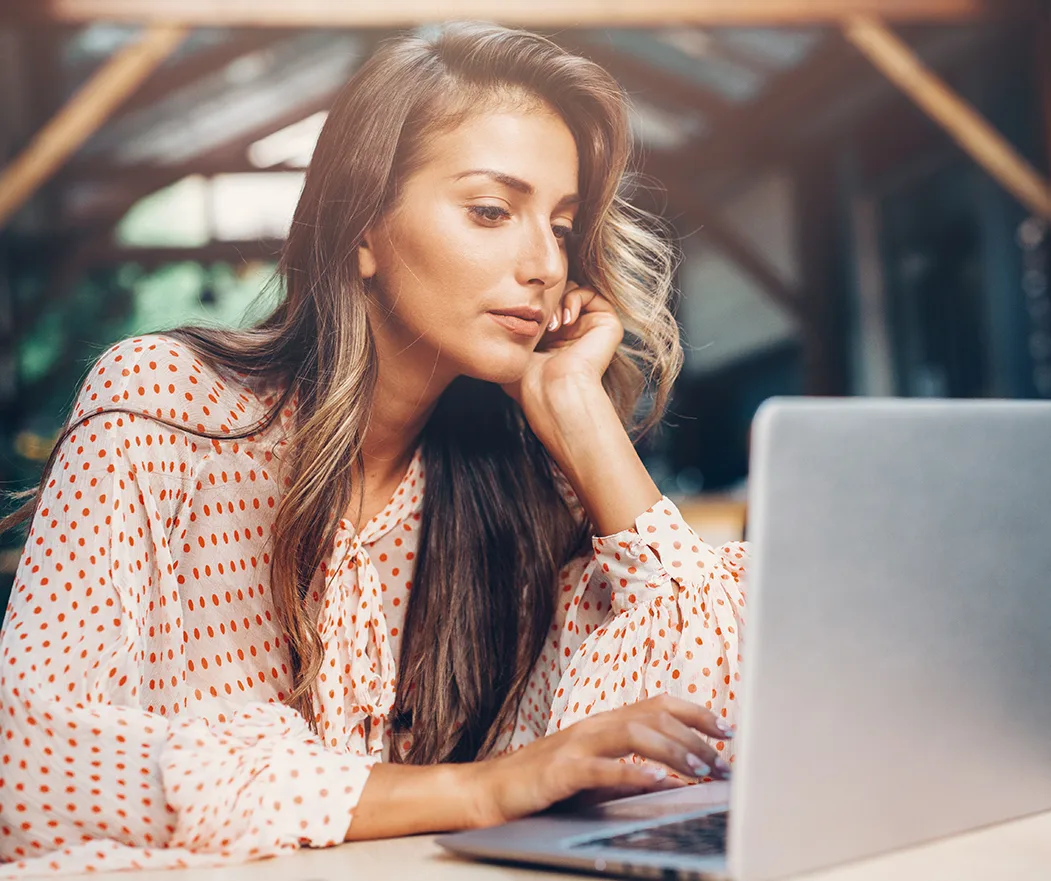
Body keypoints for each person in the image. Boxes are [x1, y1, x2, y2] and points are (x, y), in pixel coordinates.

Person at [0, 23, 748, 875]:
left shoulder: (519, 491)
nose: (545, 262)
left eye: (565, 225)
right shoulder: (166, 404)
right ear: (363, 228)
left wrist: (585, 420)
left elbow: (707, 739)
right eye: (492, 211)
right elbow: (36, 762)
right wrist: (481, 788)